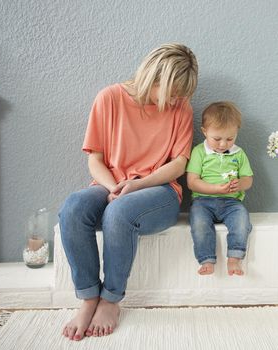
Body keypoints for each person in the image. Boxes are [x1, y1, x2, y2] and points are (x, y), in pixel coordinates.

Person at [58, 43, 198, 341]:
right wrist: (114, 187)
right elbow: (94, 159)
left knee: (120, 212)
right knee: (73, 207)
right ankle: (88, 298)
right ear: (153, 77)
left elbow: (178, 165)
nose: (177, 99)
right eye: (173, 91)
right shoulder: (109, 98)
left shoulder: (181, 107)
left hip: (158, 192)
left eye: (182, 94)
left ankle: (110, 300)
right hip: (111, 183)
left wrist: (135, 185)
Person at [186, 101, 253, 276]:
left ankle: (235, 257)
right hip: (203, 201)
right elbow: (192, 182)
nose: (223, 144)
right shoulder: (199, 152)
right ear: (204, 132)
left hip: (232, 202)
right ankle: (206, 259)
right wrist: (215, 188)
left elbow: (248, 179)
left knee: (242, 220)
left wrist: (241, 183)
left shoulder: (239, 153)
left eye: (230, 139)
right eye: (217, 139)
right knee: (199, 223)